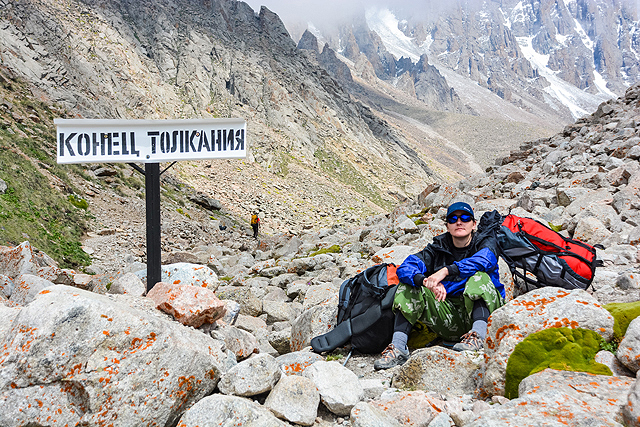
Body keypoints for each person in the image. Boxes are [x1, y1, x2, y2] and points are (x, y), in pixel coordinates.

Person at [374, 201, 505, 370]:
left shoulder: (485, 242)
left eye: (465, 218)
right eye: (453, 219)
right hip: (450, 319)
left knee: (478, 277)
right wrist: (426, 282)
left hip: (487, 316)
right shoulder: (437, 249)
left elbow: (484, 261)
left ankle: (478, 337)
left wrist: (446, 272)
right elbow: (406, 267)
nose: (459, 222)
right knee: (410, 285)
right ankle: (398, 347)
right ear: (447, 226)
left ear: (474, 224)